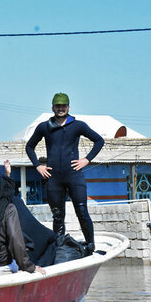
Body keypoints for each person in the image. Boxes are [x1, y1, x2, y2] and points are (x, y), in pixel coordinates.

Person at [25, 92, 104, 248]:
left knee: (82, 212)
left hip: (74, 176)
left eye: (63, 106)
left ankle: (90, 245)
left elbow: (99, 141)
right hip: (54, 179)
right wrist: (38, 166)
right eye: (57, 106)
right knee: (57, 216)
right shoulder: (44, 127)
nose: (60, 109)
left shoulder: (78, 125)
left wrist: (86, 160)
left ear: (68, 107)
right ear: (52, 107)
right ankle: (60, 248)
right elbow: (29, 146)